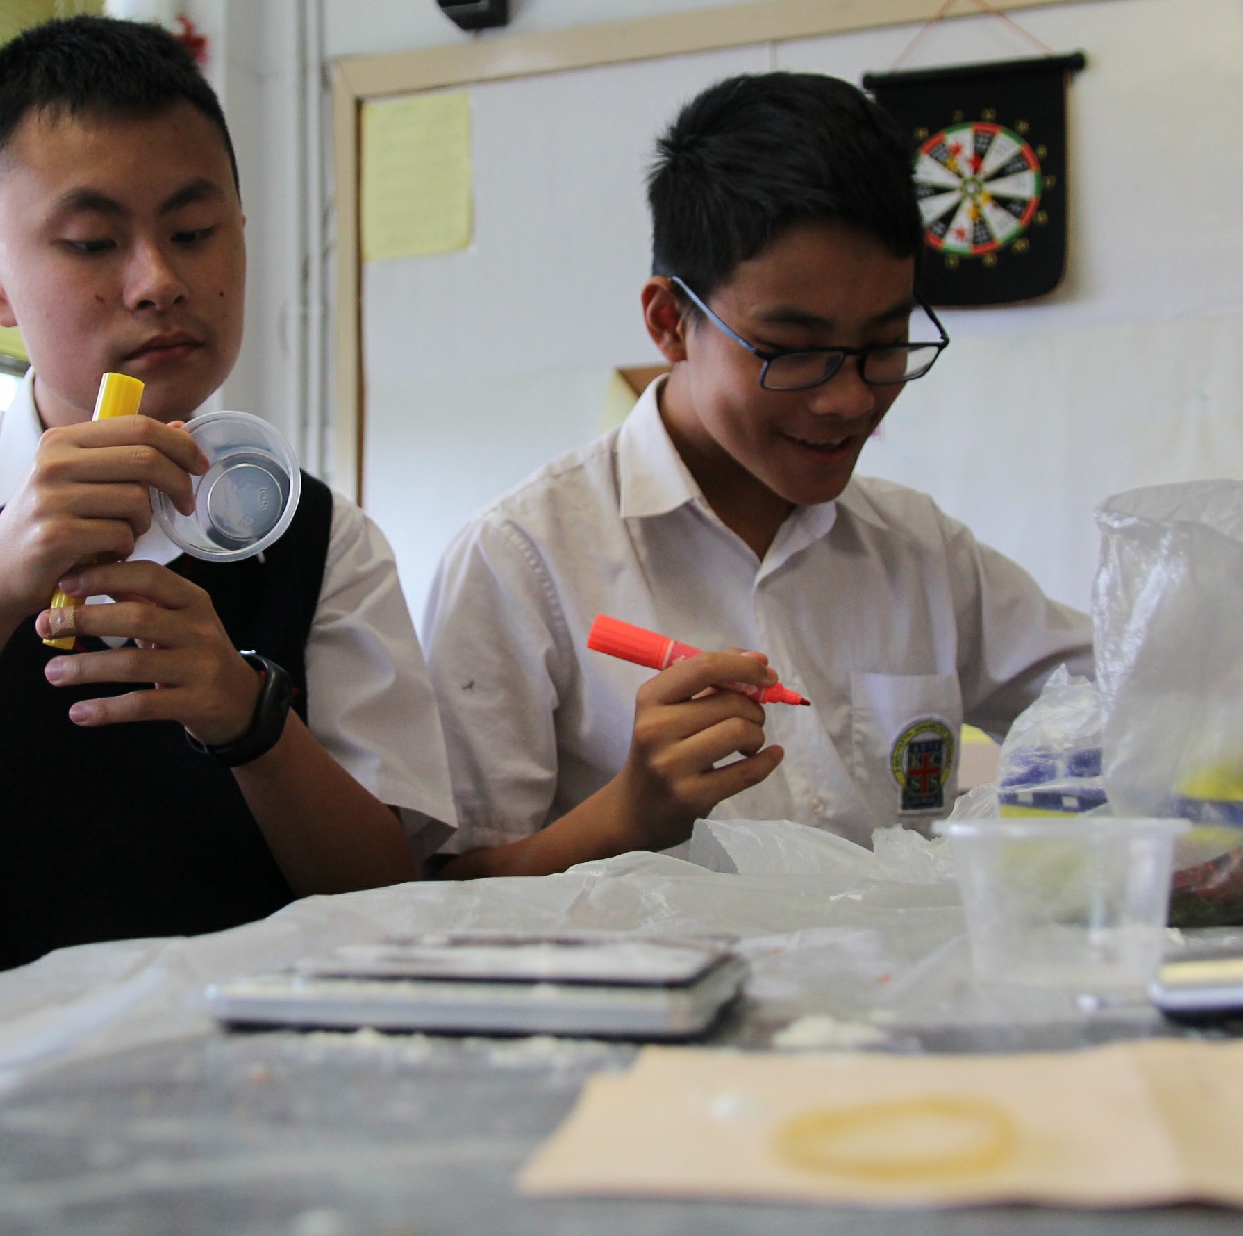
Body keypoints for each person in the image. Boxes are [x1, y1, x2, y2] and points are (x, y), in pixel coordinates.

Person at [0, 15, 454, 1005]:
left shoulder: (321, 540)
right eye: (91, 243)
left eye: (194, 233)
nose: (160, 282)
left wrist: (250, 719)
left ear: (241, 236)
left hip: (229, 1073)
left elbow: (389, 899)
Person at [423, 71, 1089, 878]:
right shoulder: (522, 560)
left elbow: (1114, 704)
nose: (849, 399)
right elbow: (441, 891)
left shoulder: (918, 551)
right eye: (792, 351)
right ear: (671, 322)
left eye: (885, 345)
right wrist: (624, 817)